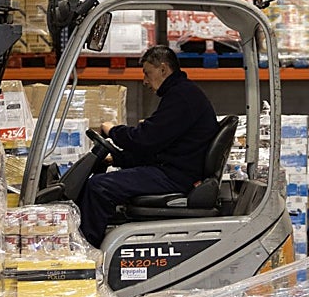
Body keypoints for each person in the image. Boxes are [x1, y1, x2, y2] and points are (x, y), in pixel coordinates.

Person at [78, 45, 219, 248]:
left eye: (147, 73)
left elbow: (145, 139)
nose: (144, 81)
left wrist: (113, 131)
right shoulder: (180, 94)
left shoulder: (182, 97)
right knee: (102, 183)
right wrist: (117, 158)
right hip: (173, 169)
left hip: (175, 176)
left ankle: (86, 252)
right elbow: (156, 147)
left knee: (98, 187)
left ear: (163, 69)